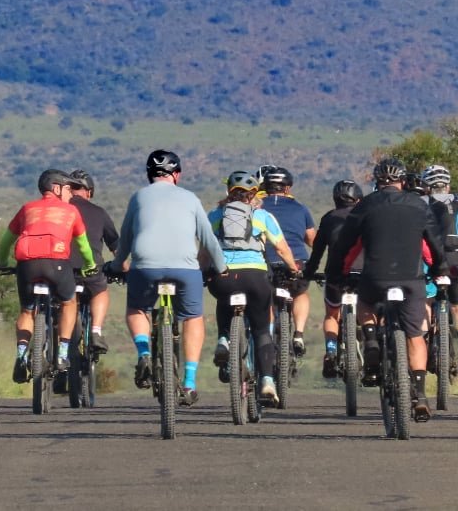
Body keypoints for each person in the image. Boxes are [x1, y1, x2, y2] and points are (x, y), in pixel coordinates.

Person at [326, 158, 449, 421]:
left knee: (366, 303)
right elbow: (433, 244)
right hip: (411, 279)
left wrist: (337, 274)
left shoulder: (366, 206)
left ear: (376, 182)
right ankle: (420, 394)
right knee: (415, 335)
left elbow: (346, 244)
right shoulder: (418, 205)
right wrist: (440, 269)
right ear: (402, 182)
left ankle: (370, 339)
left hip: (375, 277)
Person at [106, 149, 228, 406]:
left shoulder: (138, 196)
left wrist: (118, 265)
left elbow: (126, 237)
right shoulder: (191, 198)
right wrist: (221, 267)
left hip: (145, 266)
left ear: (150, 175)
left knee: (137, 308)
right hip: (184, 269)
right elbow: (208, 239)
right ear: (177, 175)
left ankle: (144, 353)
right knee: (193, 317)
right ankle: (190, 382)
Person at [207, 171, 300, 405]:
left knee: (223, 300)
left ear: (228, 191)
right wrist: (294, 269)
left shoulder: (216, 215)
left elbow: (203, 250)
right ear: (254, 194)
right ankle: (268, 380)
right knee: (261, 330)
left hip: (225, 276)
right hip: (256, 276)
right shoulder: (263, 216)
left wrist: (204, 271)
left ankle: (224, 340)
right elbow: (281, 248)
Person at [0, 169, 98, 385]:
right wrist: (90, 265)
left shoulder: (27, 208)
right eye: (68, 188)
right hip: (57, 263)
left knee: (26, 310)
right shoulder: (70, 211)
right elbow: (83, 245)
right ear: (56, 188)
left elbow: (6, 241)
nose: (71, 193)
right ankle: (62, 354)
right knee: (69, 303)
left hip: (27, 264)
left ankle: (22, 355)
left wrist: (2, 263)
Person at [304, 179, 364, 378]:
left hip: (335, 274)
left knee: (332, 314)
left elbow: (318, 250)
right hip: (362, 274)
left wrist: (309, 272)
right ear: (358, 198)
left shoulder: (329, 218)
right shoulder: (365, 217)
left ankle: (330, 350)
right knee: (370, 311)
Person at [421, 164, 458, 375]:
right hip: (457, 258)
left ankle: (424, 347)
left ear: (427, 186)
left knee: (426, 302)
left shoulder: (420, 202)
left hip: (430, 259)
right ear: (448, 185)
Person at [259, 166, 316, 359]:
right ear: (288, 188)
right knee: (300, 293)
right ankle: (298, 333)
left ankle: (267, 333)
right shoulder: (301, 209)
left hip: (265, 263)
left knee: (266, 299)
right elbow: (312, 240)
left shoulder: (257, 208)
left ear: (265, 187)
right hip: (296, 261)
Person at [66, 169, 119, 355]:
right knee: (100, 291)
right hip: (90, 271)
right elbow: (116, 246)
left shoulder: (60, 211)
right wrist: (124, 268)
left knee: (61, 303)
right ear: (89, 192)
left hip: (62, 270)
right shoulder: (100, 213)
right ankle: (96, 331)